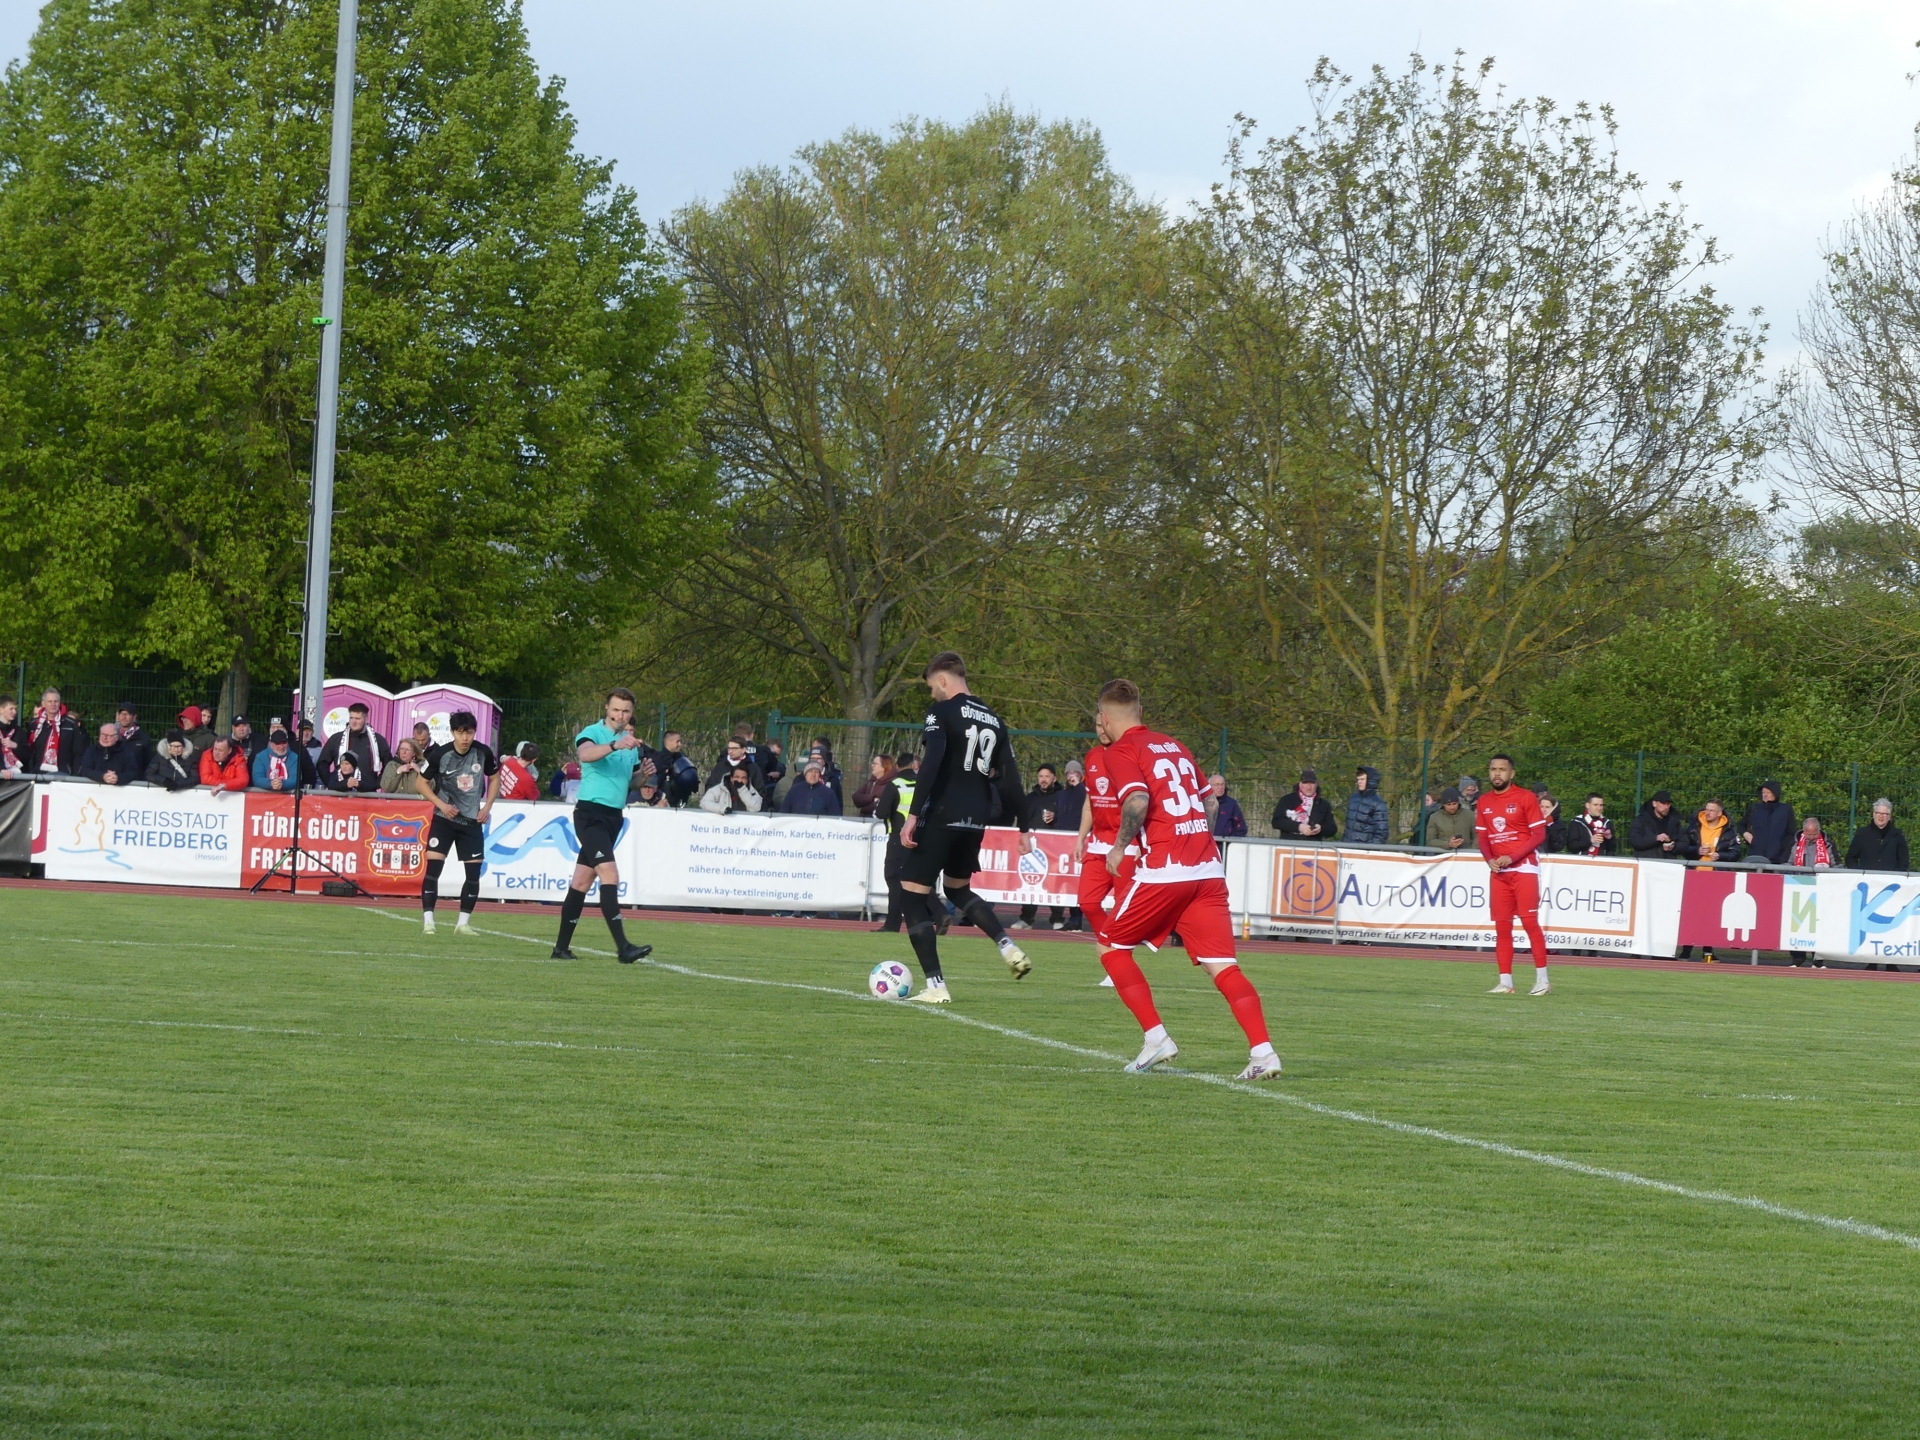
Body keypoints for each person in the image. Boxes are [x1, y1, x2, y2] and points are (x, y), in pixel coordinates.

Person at [1090, 679, 1282, 1081]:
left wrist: (1119, 847)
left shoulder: (1120, 751)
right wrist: (1196, 839)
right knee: (1223, 966)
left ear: (1104, 718)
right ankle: (1263, 1053)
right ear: (1141, 712)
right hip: (1207, 869)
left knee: (1110, 947)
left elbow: (1137, 800)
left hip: (1166, 869)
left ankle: (1156, 1038)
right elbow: (1210, 800)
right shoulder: (1174, 745)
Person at [895, 651, 1036, 1002]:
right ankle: (1008, 946)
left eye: (932, 686)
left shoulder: (941, 712)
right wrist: (1024, 828)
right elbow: (1012, 781)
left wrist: (913, 815)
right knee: (957, 889)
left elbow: (931, 764)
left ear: (943, 680)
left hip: (942, 812)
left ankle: (936, 986)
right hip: (975, 819)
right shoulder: (995, 720)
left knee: (911, 896)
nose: (932, 694)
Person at [550, 688, 652, 963]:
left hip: (613, 817)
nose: (620, 715)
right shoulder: (593, 732)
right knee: (610, 874)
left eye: (626, 711)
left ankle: (560, 949)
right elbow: (585, 755)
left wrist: (644, 776)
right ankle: (623, 948)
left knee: (581, 882)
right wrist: (615, 745)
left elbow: (630, 782)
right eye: (616, 709)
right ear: (606, 709)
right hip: (591, 813)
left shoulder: (630, 743)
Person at [412, 711, 501, 936]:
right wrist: (441, 805)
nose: (465, 738)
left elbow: (495, 778)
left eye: (469, 732)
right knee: (433, 869)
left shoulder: (483, 752)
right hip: (444, 820)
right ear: (453, 732)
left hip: (471, 823)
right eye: (460, 733)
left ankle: (463, 924)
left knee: (473, 874)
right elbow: (420, 783)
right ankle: (428, 922)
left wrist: (487, 807)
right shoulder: (440, 754)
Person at [1478, 753, 1550, 996]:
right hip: (1499, 872)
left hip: (1524, 868)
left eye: (1502, 769)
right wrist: (1489, 859)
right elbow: (1483, 837)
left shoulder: (1525, 797)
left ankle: (1543, 980)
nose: (1497, 773)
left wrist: (1513, 856)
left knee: (1529, 922)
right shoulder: (1484, 801)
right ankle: (1506, 982)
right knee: (1502, 926)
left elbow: (1539, 835)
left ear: (1512, 773)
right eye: (1493, 769)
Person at [1013, 764, 1072, 930]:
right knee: (1030, 882)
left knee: (1055, 882)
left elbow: (1071, 817)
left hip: (1056, 849)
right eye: (1041, 776)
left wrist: (1056, 816)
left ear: (1054, 778)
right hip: (1033, 849)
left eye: (1047, 776)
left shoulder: (1063, 796)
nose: (1043, 780)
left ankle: (1057, 918)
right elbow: (1022, 821)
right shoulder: (1030, 798)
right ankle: (1026, 919)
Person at [874, 752, 919, 933]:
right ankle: (939, 913)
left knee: (893, 877)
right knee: (914, 879)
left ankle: (892, 924)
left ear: (897, 767)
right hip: (920, 835)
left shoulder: (895, 785)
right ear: (914, 765)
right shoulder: (923, 784)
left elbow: (882, 812)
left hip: (898, 837)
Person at [317, 701, 392, 787]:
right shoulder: (337, 739)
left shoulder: (378, 740)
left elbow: (389, 765)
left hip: (367, 792)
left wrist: (377, 783)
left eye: (358, 718)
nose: (354, 722)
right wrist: (331, 783)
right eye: (351, 718)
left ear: (366, 719)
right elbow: (322, 763)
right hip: (341, 791)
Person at [28, 689, 83, 775]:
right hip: (37, 773)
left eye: (56, 701)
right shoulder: (34, 724)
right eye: (50, 701)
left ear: (59, 703)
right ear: (43, 704)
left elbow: (78, 752)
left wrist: (75, 774)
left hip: (63, 773)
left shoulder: (71, 724)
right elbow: (30, 749)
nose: (53, 704)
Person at [1741, 781, 1795, 866]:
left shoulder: (1785, 809)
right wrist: (1746, 834)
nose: (1765, 795)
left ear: (1775, 793)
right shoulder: (1754, 808)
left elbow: (1791, 832)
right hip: (1755, 855)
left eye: (1768, 792)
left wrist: (1783, 850)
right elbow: (1741, 825)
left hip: (1778, 858)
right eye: (1763, 792)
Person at [1847, 799, 1909, 872]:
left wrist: (1896, 876)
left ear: (1889, 816)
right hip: (1867, 878)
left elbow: (1903, 861)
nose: (1881, 816)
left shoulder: (1898, 835)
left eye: (1884, 814)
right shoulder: (1862, 834)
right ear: (1873, 814)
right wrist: (1859, 874)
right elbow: (1851, 858)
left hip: (1890, 878)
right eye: (1878, 813)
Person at [1272, 770, 1337, 841]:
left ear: (1316, 785)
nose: (1309, 787)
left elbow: (1332, 829)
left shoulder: (1324, 804)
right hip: (1289, 843)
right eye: (1305, 783)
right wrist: (1299, 827)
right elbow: (1276, 822)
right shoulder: (1287, 800)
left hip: (1313, 845)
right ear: (1300, 784)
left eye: (1312, 783)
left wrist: (1320, 829)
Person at [1686, 798, 1742, 866]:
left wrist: (1720, 855)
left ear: (1719, 813)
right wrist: (1697, 850)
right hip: (1694, 869)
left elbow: (1735, 854)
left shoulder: (1729, 832)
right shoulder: (1693, 828)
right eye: (1706, 809)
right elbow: (1683, 848)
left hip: (1717, 870)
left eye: (1711, 810)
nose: (1707, 813)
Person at [1629, 791, 1683, 860]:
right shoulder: (1641, 820)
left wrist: (1673, 846)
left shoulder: (1674, 821)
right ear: (1654, 803)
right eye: (1663, 803)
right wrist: (1656, 838)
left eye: (1668, 804)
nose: (1666, 807)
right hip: (1646, 862)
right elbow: (1635, 841)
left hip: (1668, 863)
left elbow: (1684, 843)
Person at [1343, 765, 1388, 844]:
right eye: (1358, 779)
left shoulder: (1378, 804)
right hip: (1347, 846)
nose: (1359, 782)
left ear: (1371, 781)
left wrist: (1369, 849)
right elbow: (1348, 828)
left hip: (1364, 849)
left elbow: (1381, 833)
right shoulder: (1353, 799)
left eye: (1362, 779)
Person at [656, 731, 701, 807]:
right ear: (668, 742)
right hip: (663, 801)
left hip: (681, 799)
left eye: (680, 741)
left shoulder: (682, 757)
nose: (680, 744)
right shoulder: (658, 759)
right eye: (677, 742)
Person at [699, 763, 764, 814]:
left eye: (743, 778)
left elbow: (756, 808)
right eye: (737, 777)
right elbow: (704, 803)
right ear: (731, 778)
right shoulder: (719, 789)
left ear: (747, 779)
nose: (739, 780)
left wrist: (742, 790)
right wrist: (722, 809)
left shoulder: (752, 792)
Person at [113, 702, 153, 777]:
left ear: (134, 717)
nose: (124, 717)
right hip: (113, 780)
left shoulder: (143, 738)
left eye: (127, 714)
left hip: (135, 782)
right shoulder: (111, 736)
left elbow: (149, 764)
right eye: (121, 714)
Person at [852, 753, 897, 818]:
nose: (872, 766)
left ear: (884, 766)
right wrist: (872, 798)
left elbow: (881, 806)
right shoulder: (871, 781)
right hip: (864, 818)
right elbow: (856, 797)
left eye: (875, 764)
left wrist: (865, 803)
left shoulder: (892, 784)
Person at [0, 695, 22, 777]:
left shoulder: (19, 731)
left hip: (17, 777)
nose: (14, 712)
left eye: (15, 709)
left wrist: (16, 746)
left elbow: (28, 756)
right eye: (11, 709)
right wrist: (1, 768)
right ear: (1, 710)